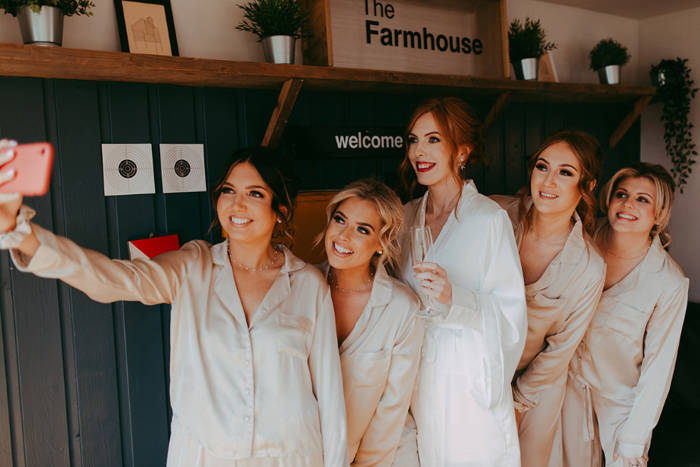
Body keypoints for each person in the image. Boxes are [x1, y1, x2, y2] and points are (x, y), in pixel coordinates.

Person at [0, 141, 349, 467]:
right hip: (204, 456)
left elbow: (330, 401)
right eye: (228, 191)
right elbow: (113, 279)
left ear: (280, 211)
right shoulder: (193, 265)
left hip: (291, 457)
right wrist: (20, 232)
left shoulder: (308, 284)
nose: (236, 204)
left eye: (254, 193)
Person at [397, 97, 527, 466]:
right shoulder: (407, 218)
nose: (419, 150)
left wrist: (458, 298)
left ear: (462, 151)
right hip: (416, 380)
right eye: (413, 139)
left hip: (467, 383)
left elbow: (511, 317)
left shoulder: (488, 220)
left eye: (433, 139)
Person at [561, 163, 689, 467]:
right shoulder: (583, 233)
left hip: (619, 399)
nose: (628, 203)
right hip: (565, 382)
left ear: (659, 213)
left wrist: (634, 437)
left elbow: (659, 365)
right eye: (622, 194)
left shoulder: (669, 281)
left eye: (642, 199)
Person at [490, 130, 606, 467]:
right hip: (475, 368)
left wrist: (517, 403)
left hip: (535, 384)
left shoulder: (588, 266)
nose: (548, 181)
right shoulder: (494, 216)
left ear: (588, 185)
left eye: (565, 172)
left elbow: (560, 349)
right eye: (543, 167)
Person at [315, 179, 424, 466]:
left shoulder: (402, 309)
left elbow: (393, 406)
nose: (344, 235)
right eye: (340, 220)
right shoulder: (300, 288)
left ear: (382, 242)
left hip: (384, 458)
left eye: (363, 229)